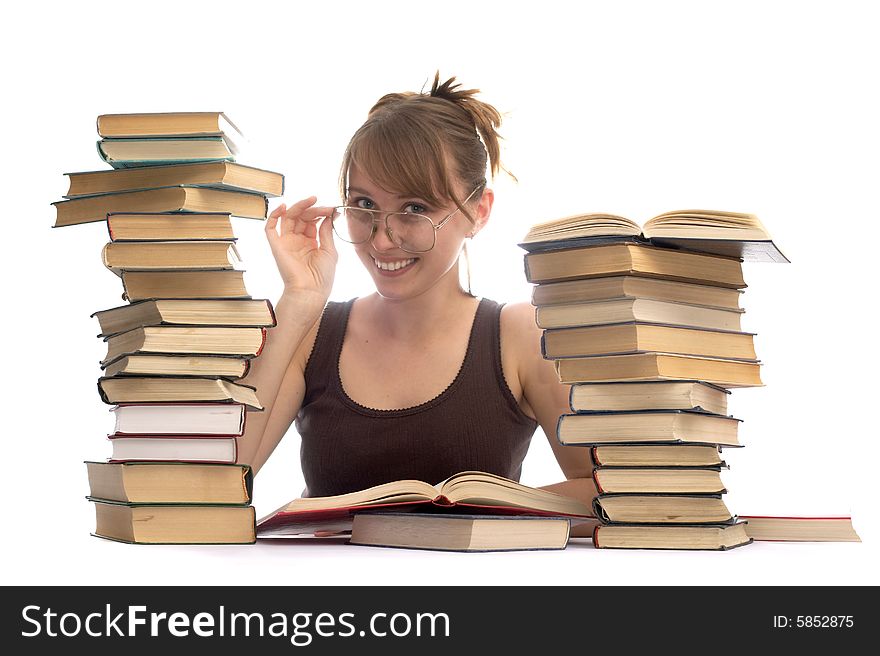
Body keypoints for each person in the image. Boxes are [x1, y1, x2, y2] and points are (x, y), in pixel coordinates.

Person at [237, 72, 597, 512]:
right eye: (365, 205)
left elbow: (604, 491)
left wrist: (469, 508)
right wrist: (298, 299)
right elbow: (217, 483)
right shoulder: (311, 333)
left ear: (479, 211)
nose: (383, 240)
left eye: (415, 209)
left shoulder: (518, 335)